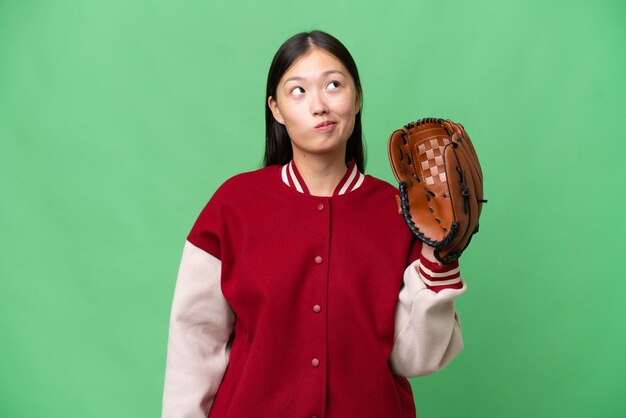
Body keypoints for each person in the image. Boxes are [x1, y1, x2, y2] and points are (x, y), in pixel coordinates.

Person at [162, 30, 466, 418]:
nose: (319, 105)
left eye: (334, 85)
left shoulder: (405, 212)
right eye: (298, 91)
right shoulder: (233, 206)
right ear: (276, 109)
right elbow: (194, 342)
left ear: (357, 99)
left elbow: (415, 359)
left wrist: (438, 261)